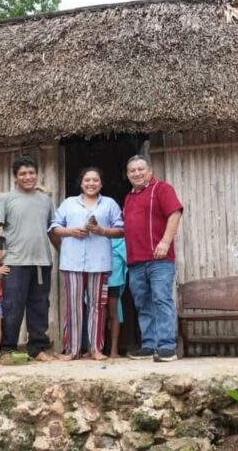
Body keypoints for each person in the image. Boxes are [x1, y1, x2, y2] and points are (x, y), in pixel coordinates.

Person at [0, 156, 56, 362]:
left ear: (37, 175)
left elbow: (51, 231)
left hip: (41, 261)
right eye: (23, 174)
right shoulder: (6, 198)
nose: (28, 177)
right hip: (14, 262)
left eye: (31, 173)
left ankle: (37, 348)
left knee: (39, 306)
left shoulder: (46, 200)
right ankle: (6, 349)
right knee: (12, 306)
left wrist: (63, 252)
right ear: (15, 177)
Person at [50, 167, 124, 361]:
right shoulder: (68, 203)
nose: (91, 183)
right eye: (87, 180)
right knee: (73, 306)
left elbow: (121, 230)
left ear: (101, 183)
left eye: (95, 180)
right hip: (72, 261)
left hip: (99, 262)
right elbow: (54, 227)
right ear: (81, 183)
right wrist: (71, 231)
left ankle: (95, 349)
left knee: (97, 306)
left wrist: (101, 230)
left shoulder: (109, 204)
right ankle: (72, 350)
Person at [123, 155, 183, 362]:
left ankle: (167, 346)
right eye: (132, 171)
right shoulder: (129, 197)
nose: (137, 173)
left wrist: (165, 242)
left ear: (150, 171)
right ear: (127, 175)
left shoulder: (162, 189)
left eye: (141, 169)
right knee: (143, 303)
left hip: (159, 259)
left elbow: (175, 213)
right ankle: (149, 344)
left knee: (161, 299)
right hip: (136, 262)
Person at [107, 237, 127, 358]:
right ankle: (92, 348)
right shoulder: (97, 238)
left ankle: (113, 350)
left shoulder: (120, 240)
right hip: (97, 278)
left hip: (114, 281)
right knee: (95, 315)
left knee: (113, 314)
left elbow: (126, 260)